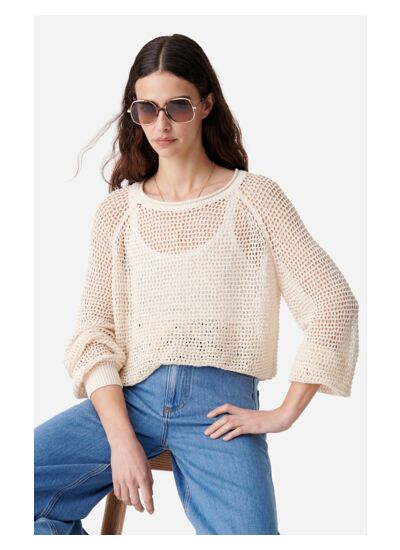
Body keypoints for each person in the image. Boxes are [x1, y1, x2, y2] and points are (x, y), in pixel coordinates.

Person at [34, 33, 359, 535]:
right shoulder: (118, 213)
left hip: (219, 414)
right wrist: (121, 441)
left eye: (178, 107)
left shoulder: (255, 200)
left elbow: (334, 303)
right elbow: (93, 333)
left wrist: (282, 414)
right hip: (127, 402)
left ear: (206, 105)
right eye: (147, 109)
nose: (161, 125)